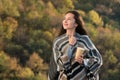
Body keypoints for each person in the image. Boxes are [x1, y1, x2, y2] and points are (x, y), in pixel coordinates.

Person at [48, 10, 103, 80]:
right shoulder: (58, 42)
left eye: (69, 19)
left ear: (76, 24)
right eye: (64, 19)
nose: (65, 21)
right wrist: (70, 47)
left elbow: (98, 60)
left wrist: (84, 61)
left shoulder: (84, 40)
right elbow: (59, 64)